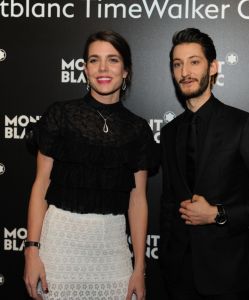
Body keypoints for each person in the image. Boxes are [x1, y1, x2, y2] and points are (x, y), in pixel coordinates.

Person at [23, 30, 157, 300]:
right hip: (59, 249)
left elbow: (138, 200)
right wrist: (32, 251)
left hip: (113, 252)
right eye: (94, 60)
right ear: (84, 69)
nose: (103, 68)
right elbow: (41, 185)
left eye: (113, 60)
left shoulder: (138, 129)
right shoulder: (61, 115)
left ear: (126, 70)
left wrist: (139, 268)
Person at [159, 28, 249, 300]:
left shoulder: (243, 125)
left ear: (213, 67)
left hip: (231, 279)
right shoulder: (170, 131)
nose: (185, 72)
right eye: (177, 64)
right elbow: (169, 204)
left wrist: (217, 214)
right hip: (178, 278)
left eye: (194, 62)